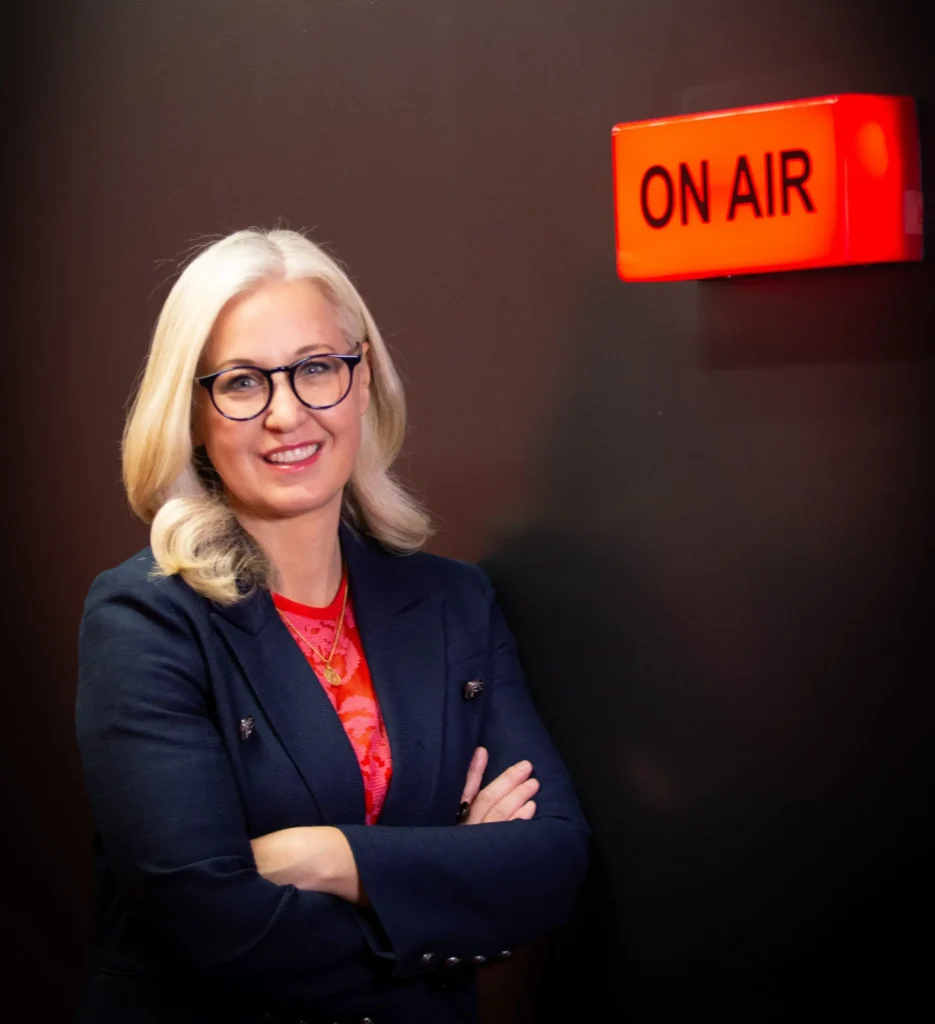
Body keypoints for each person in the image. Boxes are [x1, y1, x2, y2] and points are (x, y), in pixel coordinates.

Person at [74, 228, 590, 1024]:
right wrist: (453, 887)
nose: (287, 414)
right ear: (194, 413)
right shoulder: (145, 620)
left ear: (361, 381)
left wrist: (329, 856)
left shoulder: (455, 603)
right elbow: (209, 925)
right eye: (242, 382)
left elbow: (551, 863)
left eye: (316, 368)